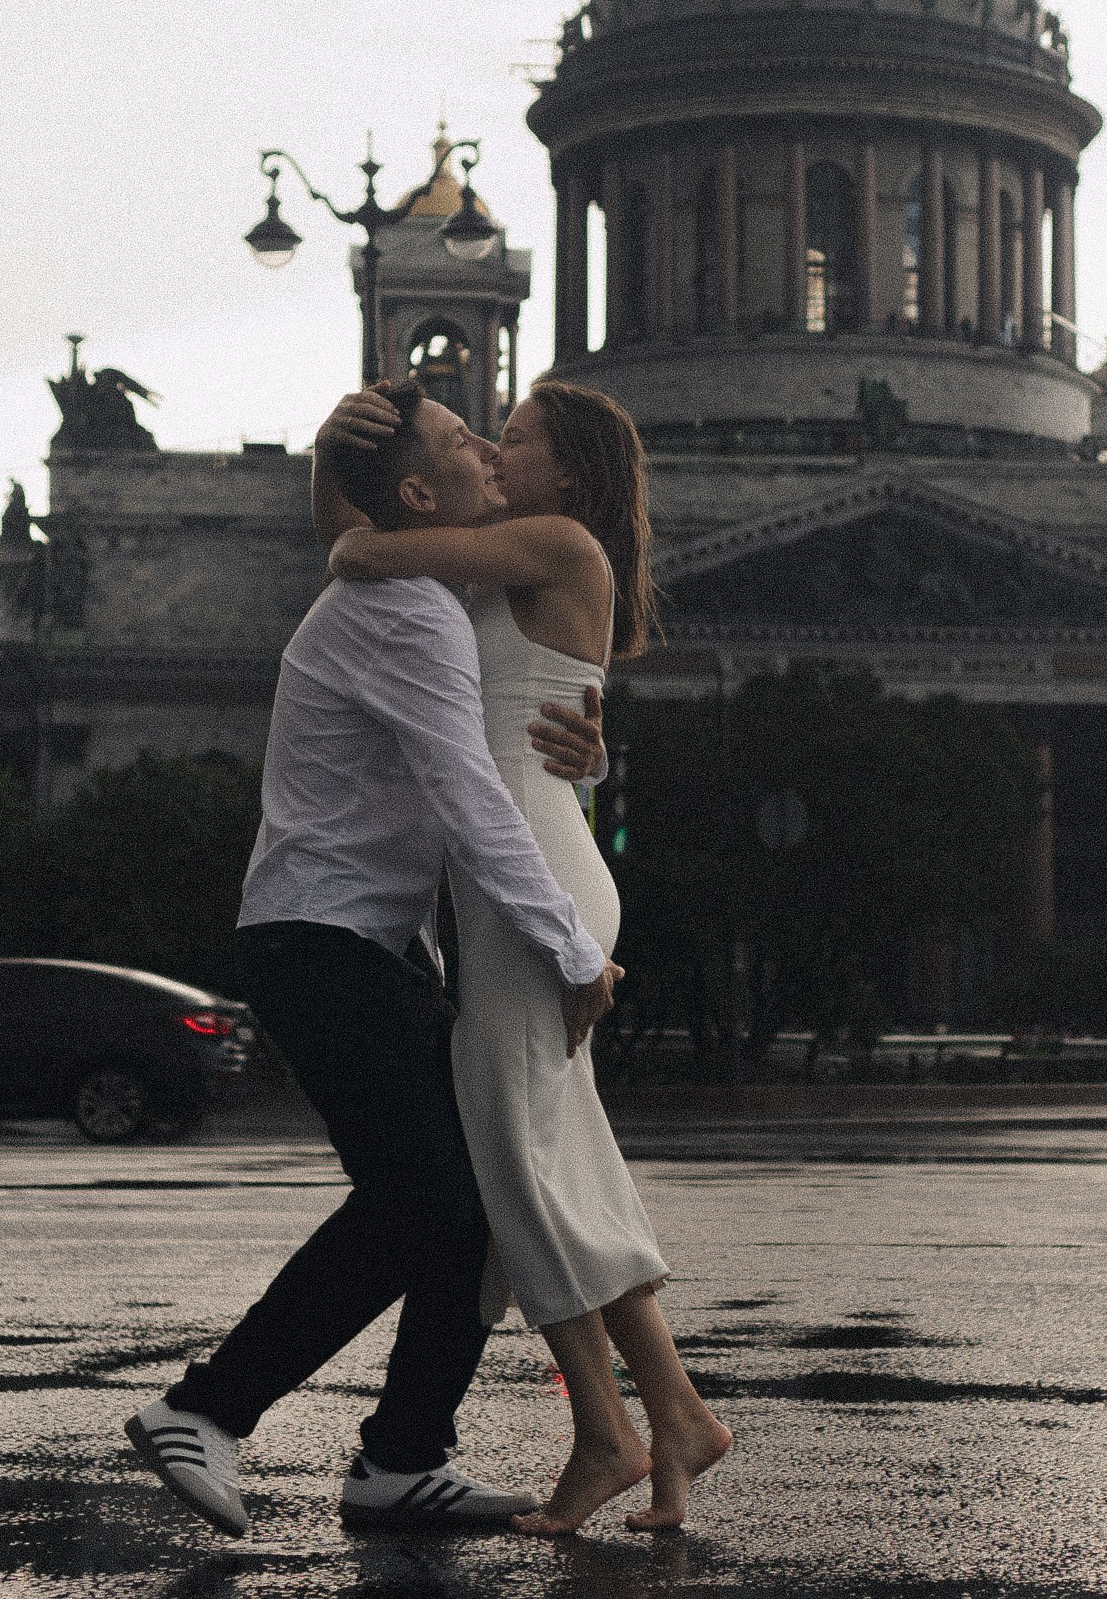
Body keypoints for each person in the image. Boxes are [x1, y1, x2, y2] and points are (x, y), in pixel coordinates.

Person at [124, 378, 624, 1539]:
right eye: (465, 441)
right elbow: (464, 791)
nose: (492, 451)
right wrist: (566, 949)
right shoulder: (409, 611)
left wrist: (582, 749)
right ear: (417, 491)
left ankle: (403, 1458)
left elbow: (498, 739)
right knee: (424, 1199)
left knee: (463, 1204)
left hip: (355, 941)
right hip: (322, 941)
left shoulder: (434, 589)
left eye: (503, 437)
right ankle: (206, 1411)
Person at [321, 378, 733, 1535]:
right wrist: (332, 458)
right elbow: (362, 538)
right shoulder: (503, 554)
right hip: (526, 874)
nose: (495, 449)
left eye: (514, 437)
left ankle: (608, 1434)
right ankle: (672, 1421)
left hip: (532, 885)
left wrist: (345, 478)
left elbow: (358, 558)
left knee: (513, 1160)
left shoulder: (549, 541)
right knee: (559, 1157)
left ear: (571, 471)